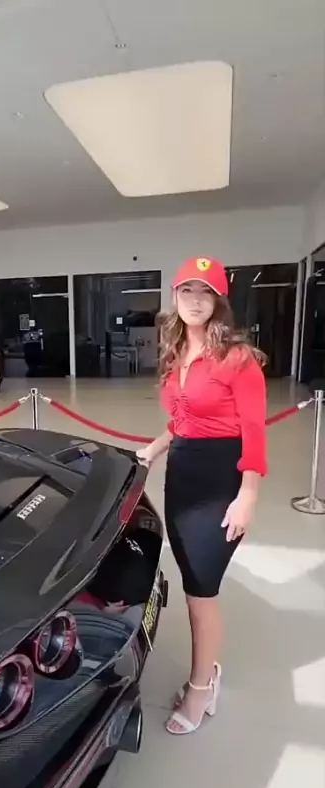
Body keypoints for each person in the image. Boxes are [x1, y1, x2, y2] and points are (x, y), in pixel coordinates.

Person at [137, 257, 267, 735]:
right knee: (192, 579)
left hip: (221, 482)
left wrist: (247, 495)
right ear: (174, 297)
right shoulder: (175, 353)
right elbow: (182, 420)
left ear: (218, 301)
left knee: (200, 592)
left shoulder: (238, 358)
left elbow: (254, 432)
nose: (195, 300)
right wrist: (154, 448)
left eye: (205, 292)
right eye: (186, 291)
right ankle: (206, 674)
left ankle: (201, 687)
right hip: (182, 478)